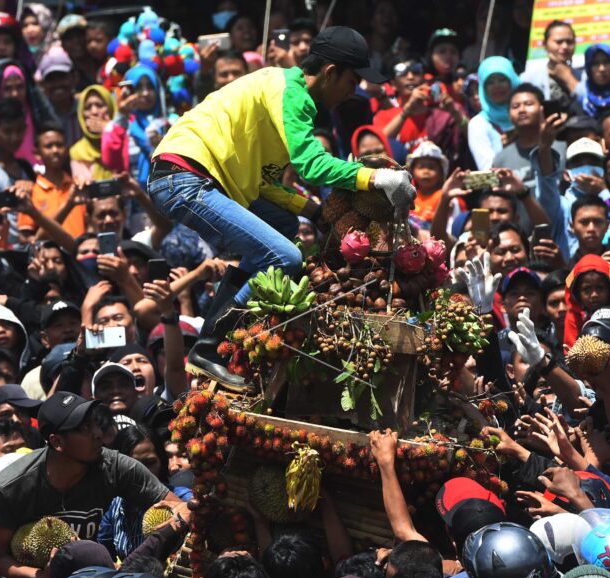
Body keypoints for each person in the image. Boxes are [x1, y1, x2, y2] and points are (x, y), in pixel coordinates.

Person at [150, 26, 414, 389]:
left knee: (285, 227)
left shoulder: (280, 98)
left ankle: (218, 335)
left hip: (195, 179)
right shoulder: (292, 92)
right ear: (330, 73)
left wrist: (312, 210)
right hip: (185, 178)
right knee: (285, 258)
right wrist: (376, 178)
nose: (352, 92)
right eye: (352, 81)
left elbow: (265, 184)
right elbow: (311, 165)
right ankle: (209, 346)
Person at [0, 391, 179, 578]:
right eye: (84, 428)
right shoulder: (12, 485)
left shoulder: (116, 467)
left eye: (96, 423)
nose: (97, 434)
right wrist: (44, 576)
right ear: (57, 442)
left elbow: (177, 506)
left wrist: (182, 514)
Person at [467, 56, 520, 172]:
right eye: (490, 82)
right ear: (482, 88)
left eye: (502, 79)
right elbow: (487, 170)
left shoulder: (526, 114)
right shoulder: (478, 124)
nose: (497, 86)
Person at [69, 85, 116, 182]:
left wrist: (110, 131)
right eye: (87, 107)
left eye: (100, 105)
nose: (94, 112)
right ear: (81, 114)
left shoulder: (126, 141)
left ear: (110, 108)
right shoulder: (77, 152)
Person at [576, 44, 610, 119]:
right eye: (595, 63)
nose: (602, 69)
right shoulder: (582, 103)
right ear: (588, 68)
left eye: (606, 62)